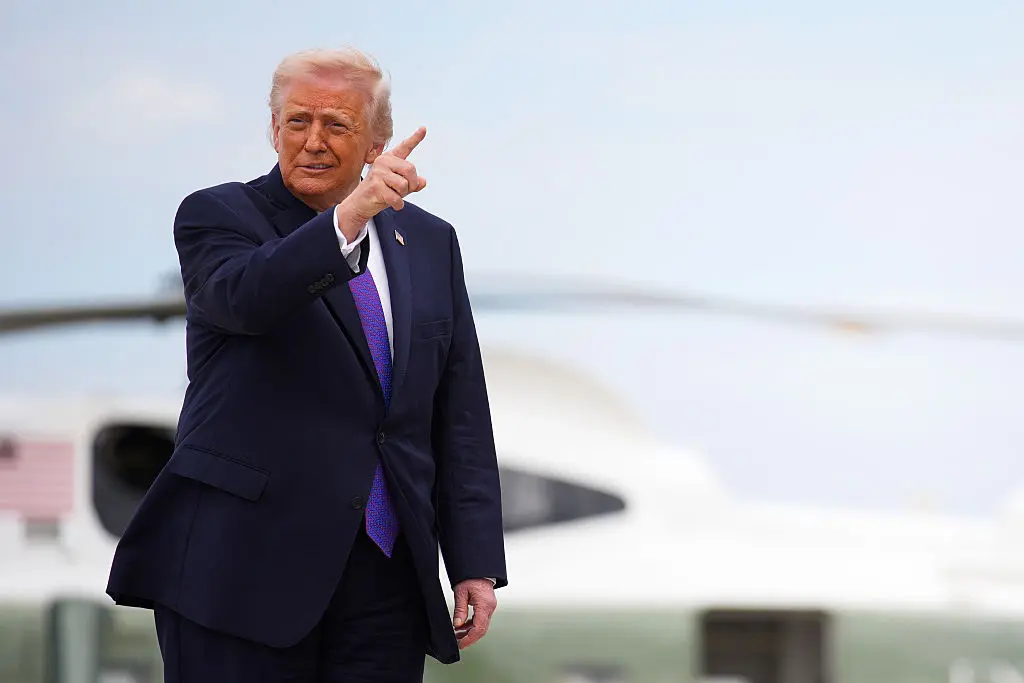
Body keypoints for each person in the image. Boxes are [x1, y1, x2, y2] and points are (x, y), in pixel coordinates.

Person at [105, 46, 507, 682]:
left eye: (336, 125)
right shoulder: (218, 215)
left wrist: (475, 561)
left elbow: (458, 410)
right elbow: (244, 300)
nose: (312, 141)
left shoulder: (431, 242)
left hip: (386, 573)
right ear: (273, 128)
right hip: (240, 572)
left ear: (377, 141)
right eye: (297, 122)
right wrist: (348, 220)